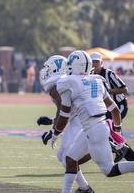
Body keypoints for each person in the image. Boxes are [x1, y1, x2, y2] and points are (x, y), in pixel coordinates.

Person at [52, 50, 134, 193]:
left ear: (75, 65)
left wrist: (56, 133)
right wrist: (117, 131)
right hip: (95, 127)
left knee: (108, 170)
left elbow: (65, 112)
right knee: (70, 159)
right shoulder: (96, 81)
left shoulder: (68, 83)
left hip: (94, 130)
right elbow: (115, 110)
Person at [37, 55, 94, 193]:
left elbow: (64, 111)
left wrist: (54, 132)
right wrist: (52, 122)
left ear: (56, 69)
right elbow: (66, 111)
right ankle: (84, 188)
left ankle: (84, 188)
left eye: (48, 68)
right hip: (78, 119)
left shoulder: (59, 84)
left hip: (82, 120)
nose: (45, 71)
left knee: (67, 157)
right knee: (63, 156)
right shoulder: (63, 82)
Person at [91, 52, 134, 162]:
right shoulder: (90, 76)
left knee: (112, 132)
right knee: (112, 134)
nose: (94, 64)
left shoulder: (109, 74)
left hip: (119, 106)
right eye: (92, 62)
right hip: (106, 109)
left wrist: (108, 91)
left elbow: (124, 89)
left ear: (101, 63)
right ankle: (133, 160)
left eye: (96, 62)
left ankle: (129, 157)